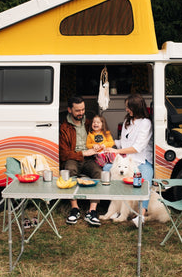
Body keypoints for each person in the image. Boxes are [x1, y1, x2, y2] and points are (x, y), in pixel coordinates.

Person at [105, 94, 153, 227]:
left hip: (142, 160)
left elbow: (138, 147)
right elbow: (123, 143)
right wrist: (107, 145)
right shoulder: (128, 121)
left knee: (145, 180)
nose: (126, 110)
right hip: (127, 160)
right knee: (106, 169)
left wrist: (117, 151)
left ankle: (141, 215)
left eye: (128, 107)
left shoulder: (145, 123)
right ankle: (117, 209)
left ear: (136, 108)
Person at [59, 96, 102, 226]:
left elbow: (101, 136)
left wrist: (98, 145)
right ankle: (74, 208)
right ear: (69, 110)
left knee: (99, 173)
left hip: (89, 159)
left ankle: (92, 211)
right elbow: (64, 154)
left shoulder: (89, 123)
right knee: (69, 170)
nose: (81, 113)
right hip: (74, 158)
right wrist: (83, 153)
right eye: (77, 110)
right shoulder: (64, 128)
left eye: (83, 109)